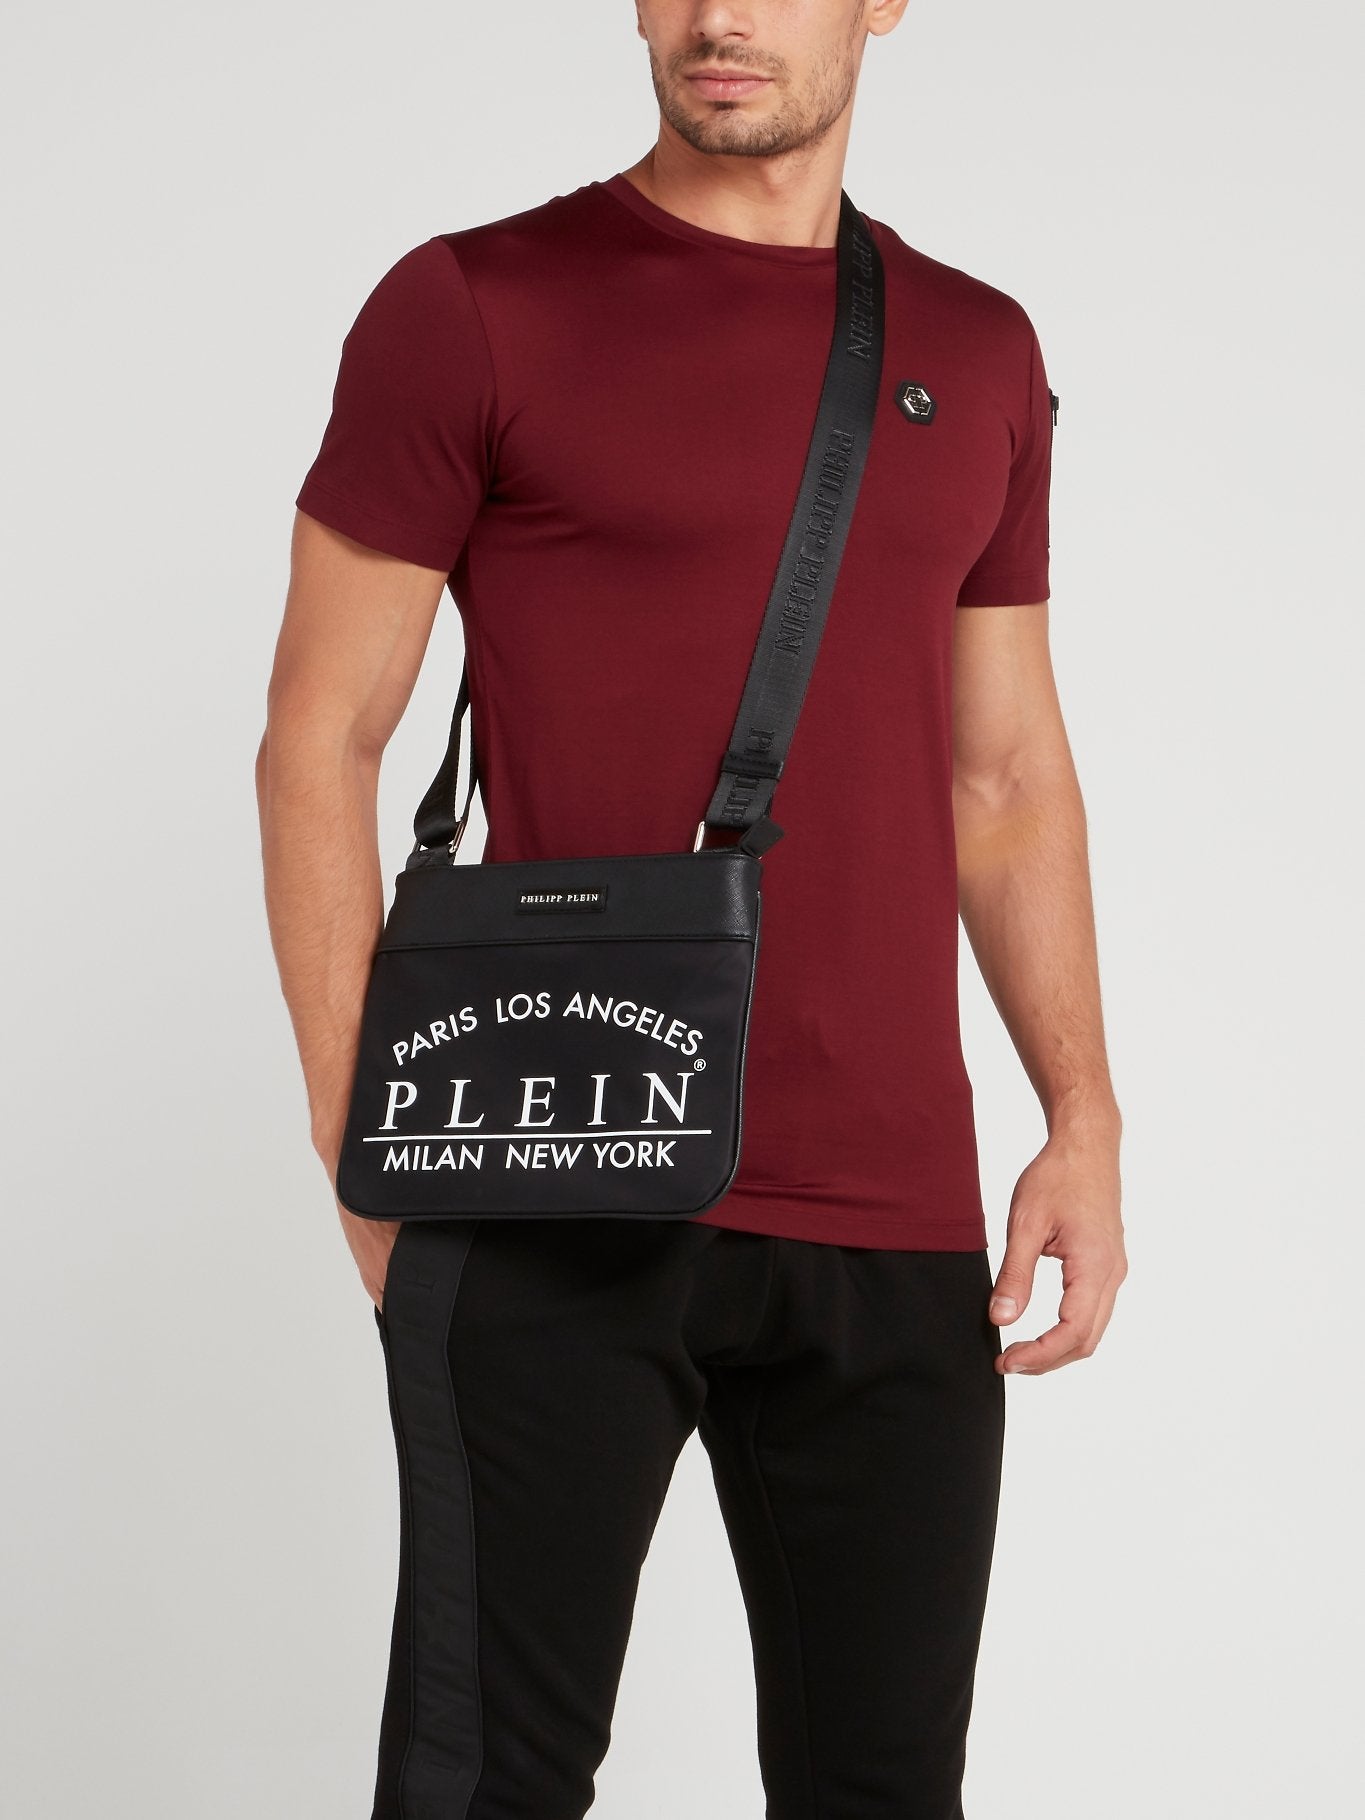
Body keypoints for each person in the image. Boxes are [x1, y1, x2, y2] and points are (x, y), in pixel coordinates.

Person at [256, 3, 1127, 1815]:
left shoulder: (974, 346)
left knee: (883, 1788)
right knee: (482, 1784)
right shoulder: (474, 305)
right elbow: (318, 739)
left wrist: (1081, 1114)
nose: (720, 17)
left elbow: (1004, 777)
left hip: (890, 1210)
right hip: (551, 1166)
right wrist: (366, 1144)